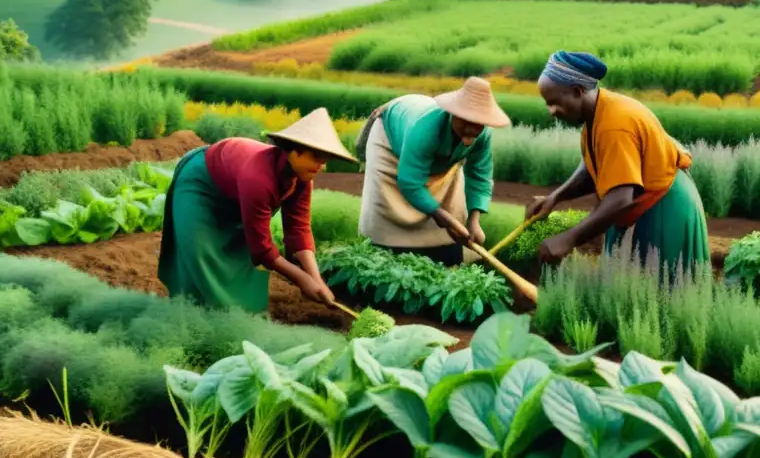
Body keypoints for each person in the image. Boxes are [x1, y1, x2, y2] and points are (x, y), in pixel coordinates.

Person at [526, 50, 710, 285]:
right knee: (628, 289)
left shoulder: (615, 125)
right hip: (642, 203)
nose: (551, 112)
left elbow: (621, 197)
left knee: (659, 293)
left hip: (663, 206)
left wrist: (568, 239)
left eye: (554, 103)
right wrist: (555, 197)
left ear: (577, 92)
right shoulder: (596, 115)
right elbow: (594, 168)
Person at [158, 108, 356, 312]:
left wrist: (317, 280)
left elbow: (299, 229)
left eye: (324, 162)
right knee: (200, 256)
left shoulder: (302, 178)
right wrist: (300, 278)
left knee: (239, 255)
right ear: (294, 151)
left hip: (234, 192)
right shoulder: (258, 178)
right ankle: (195, 316)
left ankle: (239, 316)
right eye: (316, 159)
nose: (321, 167)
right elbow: (262, 250)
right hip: (201, 185)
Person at [357, 77, 510, 265]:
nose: (471, 128)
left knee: (452, 209)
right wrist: (444, 219)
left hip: (437, 160)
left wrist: (474, 220)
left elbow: (479, 176)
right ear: (453, 113)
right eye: (465, 121)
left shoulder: (483, 135)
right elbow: (410, 183)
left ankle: (445, 257)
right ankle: (381, 262)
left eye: (477, 123)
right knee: (388, 206)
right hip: (391, 142)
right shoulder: (426, 127)